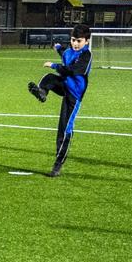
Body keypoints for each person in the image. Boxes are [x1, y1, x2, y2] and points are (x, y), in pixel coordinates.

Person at [26, 23, 92, 176]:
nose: (75, 44)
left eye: (79, 41)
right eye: (73, 40)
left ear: (86, 41)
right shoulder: (68, 51)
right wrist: (57, 47)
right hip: (64, 85)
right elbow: (64, 53)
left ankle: (58, 164)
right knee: (48, 78)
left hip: (74, 95)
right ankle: (42, 93)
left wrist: (54, 65)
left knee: (64, 128)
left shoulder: (86, 56)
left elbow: (72, 70)